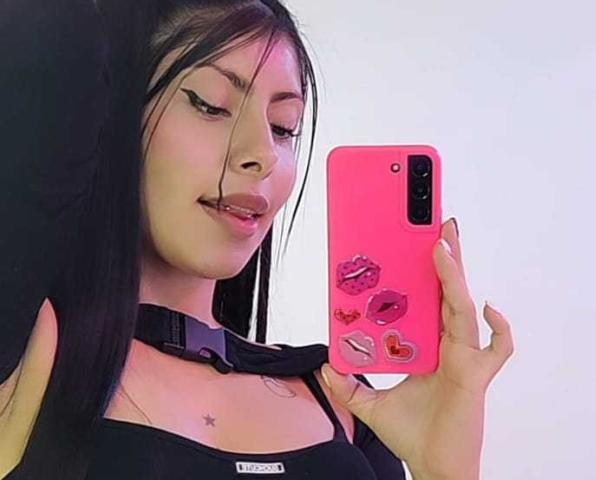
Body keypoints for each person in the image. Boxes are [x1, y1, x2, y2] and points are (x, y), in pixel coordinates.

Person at [0, 1, 514, 479]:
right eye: (211, 105)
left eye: (283, 127)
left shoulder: (346, 401)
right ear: (111, 115)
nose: (263, 155)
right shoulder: (30, 356)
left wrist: (442, 470)